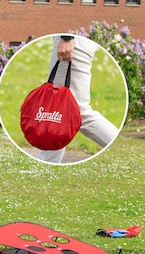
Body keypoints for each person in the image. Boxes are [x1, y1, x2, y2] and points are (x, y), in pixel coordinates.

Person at [38, 35, 120, 163]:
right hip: (75, 40)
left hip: (73, 40)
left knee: (74, 111)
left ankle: (127, 150)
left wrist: (66, 38)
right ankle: (46, 167)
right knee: (59, 111)